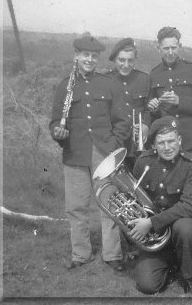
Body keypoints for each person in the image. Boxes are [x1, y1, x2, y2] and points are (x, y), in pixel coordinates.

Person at [49, 35, 130, 271]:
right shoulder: (65, 85)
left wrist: (114, 144)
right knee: (76, 206)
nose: (89, 60)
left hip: (104, 152)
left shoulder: (109, 84)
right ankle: (81, 254)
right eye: (85, 55)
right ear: (76, 56)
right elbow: (55, 121)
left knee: (109, 203)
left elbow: (122, 121)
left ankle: (112, 255)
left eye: (94, 56)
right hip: (75, 152)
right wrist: (57, 132)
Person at [128, 116, 192, 297]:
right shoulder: (143, 163)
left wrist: (151, 222)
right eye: (161, 142)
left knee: (185, 227)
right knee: (147, 286)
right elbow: (132, 203)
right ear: (154, 145)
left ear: (179, 140)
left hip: (180, 229)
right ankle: (172, 264)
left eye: (171, 141)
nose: (167, 147)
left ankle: (191, 276)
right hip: (156, 237)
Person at [148, 27, 192, 177]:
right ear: (158, 48)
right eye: (166, 48)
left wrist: (180, 101)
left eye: (173, 47)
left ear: (180, 46)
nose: (170, 52)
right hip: (168, 147)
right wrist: (153, 108)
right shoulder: (154, 74)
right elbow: (154, 112)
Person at [108, 37, 150, 170]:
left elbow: (150, 109)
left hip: (138, 146)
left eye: (130, 60)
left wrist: (146, 125)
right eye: (121, 60)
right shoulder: (104, 81)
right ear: (114, 59)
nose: (126, 65)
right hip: (114, 144)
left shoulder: (144, 79)